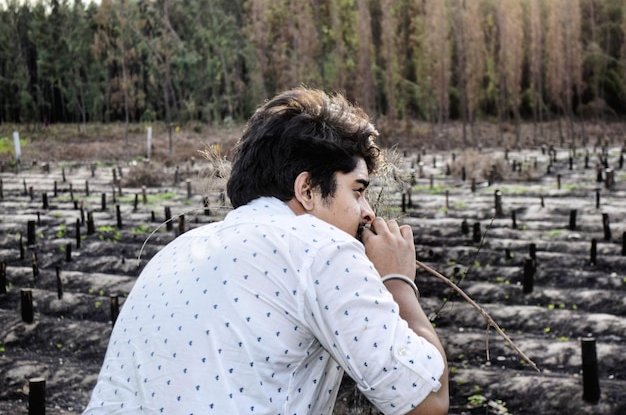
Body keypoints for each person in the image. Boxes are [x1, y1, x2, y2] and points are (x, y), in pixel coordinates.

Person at [82, 87, 449, 415]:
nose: (368, 212)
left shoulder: (176, 249)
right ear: (307, 190)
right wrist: (397, 280)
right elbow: (427, 401)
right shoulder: (323, 249)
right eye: (357, 190)